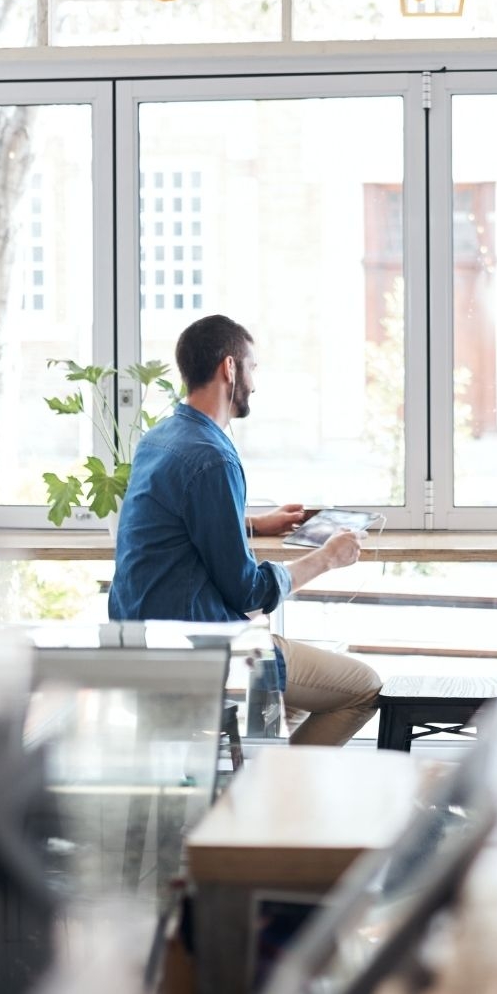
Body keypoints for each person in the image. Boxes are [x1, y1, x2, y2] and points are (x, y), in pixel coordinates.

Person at [109, 314, 382, 746]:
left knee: (289, 700)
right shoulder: (213, 457)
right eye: (252, 367)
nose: (254, 382)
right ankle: (274, 799)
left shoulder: (160, 438)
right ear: (229, 368)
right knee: (362, 687)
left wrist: (253, 522)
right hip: (203, 650)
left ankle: (261, 787)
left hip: (144, 644)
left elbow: (175, 522)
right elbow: (249, 593)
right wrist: (328, 557)